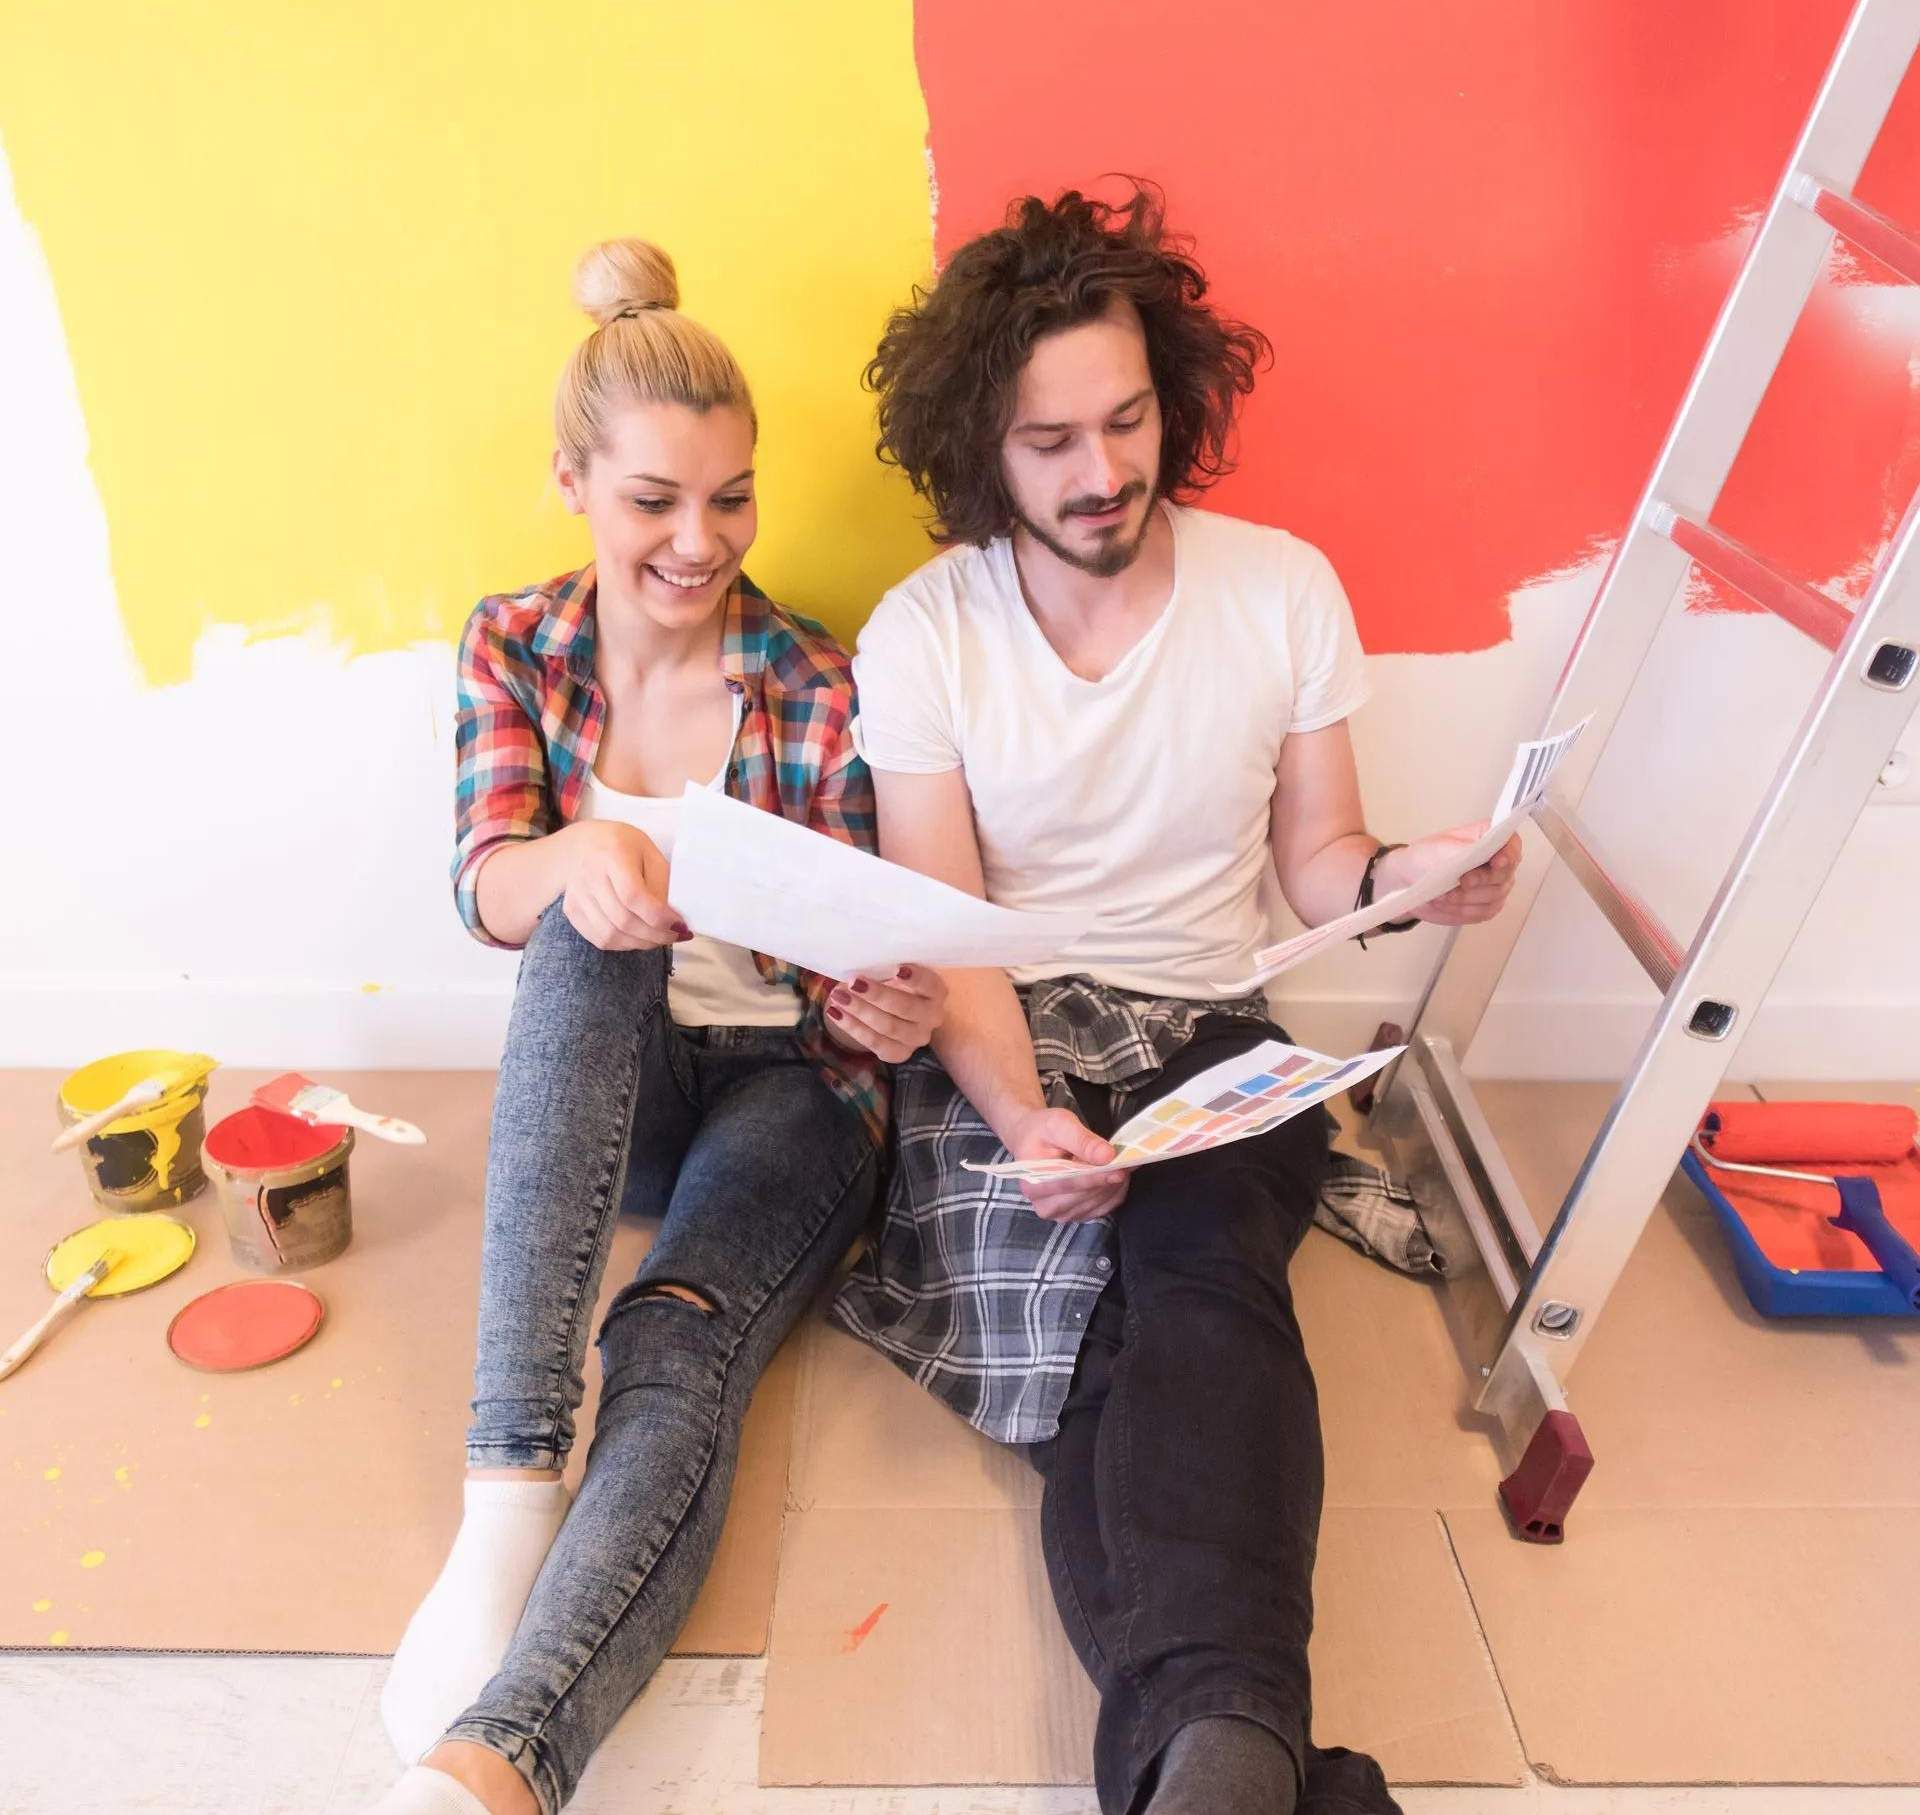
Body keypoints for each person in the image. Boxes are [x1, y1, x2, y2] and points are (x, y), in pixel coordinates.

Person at [834, 185, 1521, 1815]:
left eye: (1127, 419)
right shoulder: (926, 634)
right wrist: (1027, 1119)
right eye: (1050, 440)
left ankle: (1212, 1763)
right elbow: (954, 940)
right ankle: (1247, 1758)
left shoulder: (1280, 588)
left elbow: (1318, 860)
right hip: (1001, 1041)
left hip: (1214, 1036)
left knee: (1204, 1281)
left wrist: (1404, 880)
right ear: (981, 453)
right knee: (1091, 1344)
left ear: (1174, 398)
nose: (1101, 471)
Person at [367, 238, 945, 1815]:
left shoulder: (816, 676)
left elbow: (861, 972)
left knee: (675, 1344)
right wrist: (581, 857)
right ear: (574, 484)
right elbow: (484, 885)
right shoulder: (514, 643)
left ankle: (496, 1772)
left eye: (733, 498)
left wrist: (885, 1004)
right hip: (612, 1090)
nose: (703, 542)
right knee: (577, 917)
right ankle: (507, 1494)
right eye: (654, 502)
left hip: (788, 1092)